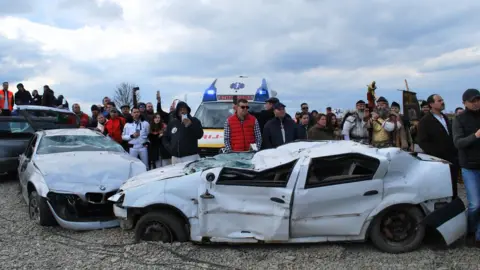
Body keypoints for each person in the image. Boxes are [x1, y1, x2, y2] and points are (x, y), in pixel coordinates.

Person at [452, 88, 480, 246]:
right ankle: (470, 230)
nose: (476, 103)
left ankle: (478, 236)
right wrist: (475, 136)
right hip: (469, 167)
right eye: (472, 101)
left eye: (478, 99)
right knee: (475, 204)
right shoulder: (459, 119)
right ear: (465, 103)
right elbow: (458, 143)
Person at [417, 94, 458, 198]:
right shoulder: (425, 121)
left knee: (453, 185)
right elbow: (422, 141)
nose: (442, 102)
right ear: (431, 104)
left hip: (452, 158)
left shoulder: (445, 117)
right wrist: (436, 156)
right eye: (439, 100)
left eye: (442, 100)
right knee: (443, 188)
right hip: (439, 161)